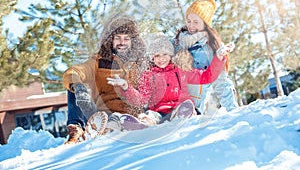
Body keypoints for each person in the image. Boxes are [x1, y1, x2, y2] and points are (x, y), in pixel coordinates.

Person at [106, 34, 233, 128]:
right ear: (152, 58)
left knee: (186, 106)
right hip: (158, 113)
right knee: (150, 115)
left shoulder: (181, 71)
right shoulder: (147, 75)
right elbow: (141, 99)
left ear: (171, 55)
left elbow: (207, 76)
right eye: (157, 56)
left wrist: (218, 57)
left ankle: (183, 117)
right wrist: (126, 87)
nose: (161, 59)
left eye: (164, 54)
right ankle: (143, 124)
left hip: (179, 109)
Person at [62, 15, 148, 144]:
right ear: (110, 40)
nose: (122, 42)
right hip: (104, 115)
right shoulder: (98, 62)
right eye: (117, 38)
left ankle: (131, 124)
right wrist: (78, 87)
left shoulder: (141, 63)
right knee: (73, 84)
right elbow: (75, 71)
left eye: (126, 38)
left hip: (133, 115)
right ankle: (77, 129)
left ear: (133, 41)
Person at [173, 0, 239, 114]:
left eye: (196, 22)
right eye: (189, 21)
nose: (191, 26)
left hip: (194, 108)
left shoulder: (209, 49)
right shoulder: (177, 43)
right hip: (172, 102)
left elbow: (221, 81)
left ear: (205, 24)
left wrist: (232, 110)